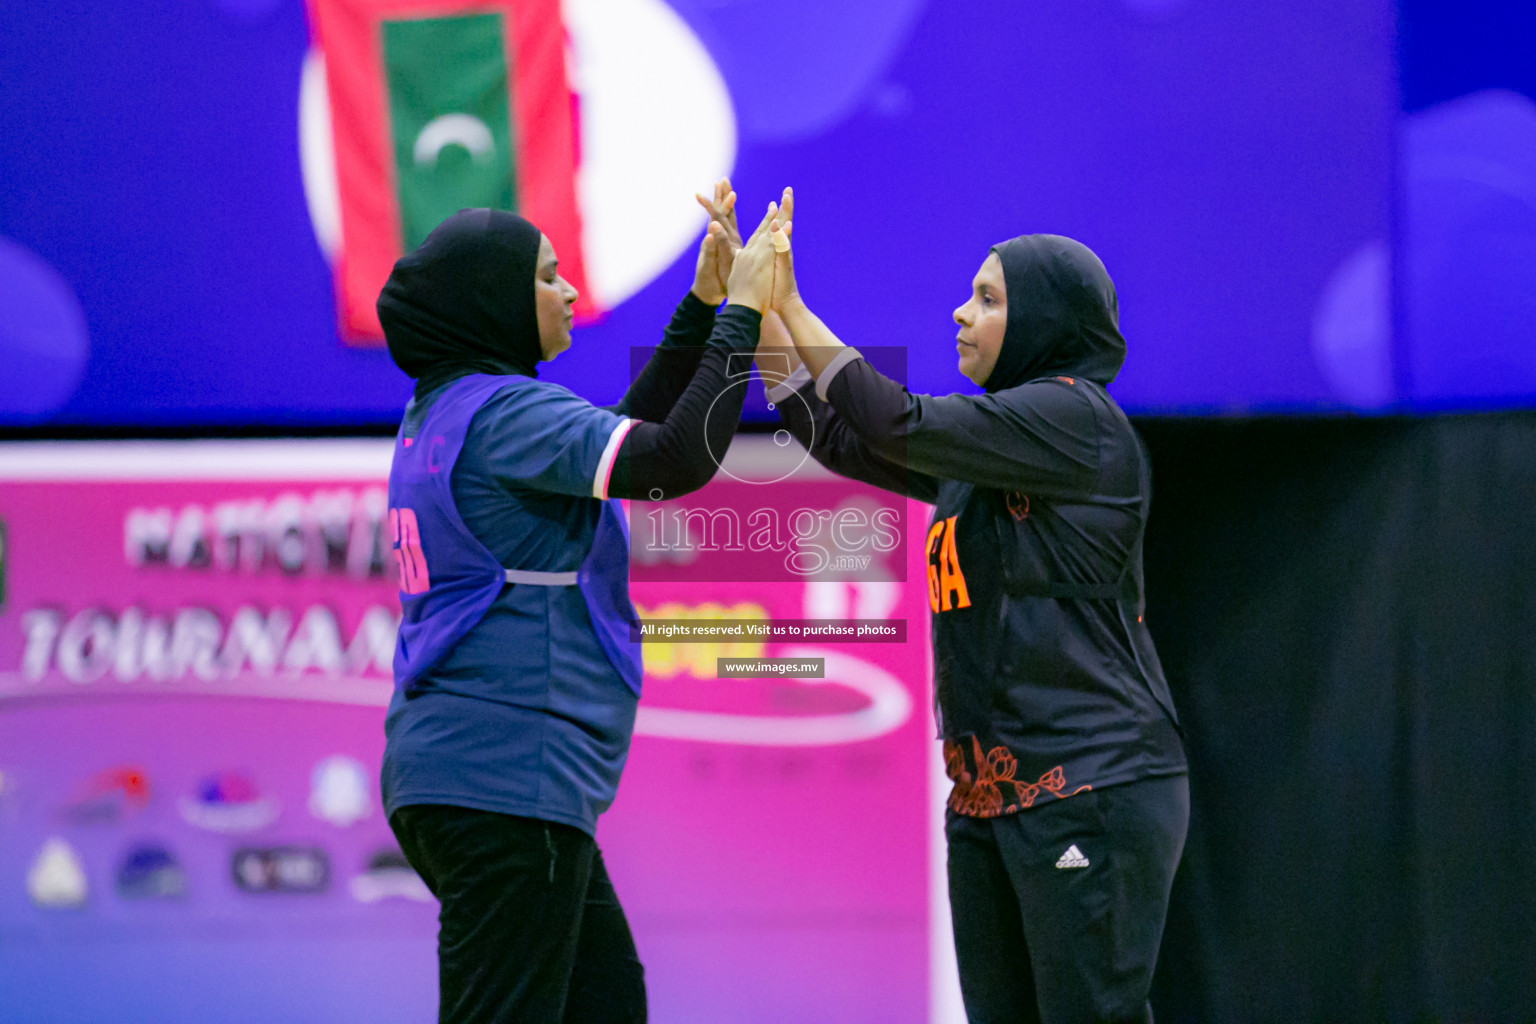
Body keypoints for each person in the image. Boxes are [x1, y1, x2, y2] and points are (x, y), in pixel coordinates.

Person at [753, 200, 1188, 1024]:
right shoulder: (992, 448)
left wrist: (795, 303)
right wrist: (759, 314)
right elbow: (842, 440)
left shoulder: (1074, 419)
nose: (961, 311)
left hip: (1090, 781)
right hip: (988, 799)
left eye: (989, 298)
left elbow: (890, 415)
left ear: (1046, 322)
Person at [377, 184, 784, 1023]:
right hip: (506, 778)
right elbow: (671, 460)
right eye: (548, 276)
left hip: (470, 776)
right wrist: (743, 315)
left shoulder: (452, 410)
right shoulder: (508, 413)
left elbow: (624, 437)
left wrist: (704, 306)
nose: (568, 293)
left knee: (603, 1005)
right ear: (492, 302)